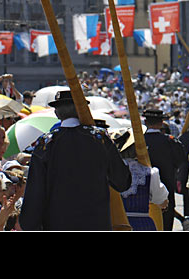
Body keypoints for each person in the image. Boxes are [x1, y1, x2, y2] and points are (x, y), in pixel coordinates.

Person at [18, 91, 131, 231]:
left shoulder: (46, 143)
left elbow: (36, 189)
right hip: (96, 222)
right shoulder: (100, 139)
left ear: (57, 113)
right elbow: (122, 181)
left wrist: (30, 224)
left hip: (58, 223)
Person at [113, 129, 169, 231]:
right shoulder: (149, 172)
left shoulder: (109, 171)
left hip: (117, 224)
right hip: (142, 224)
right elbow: (161, 200)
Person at [142, 107, 187, 231]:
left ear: (145, 122)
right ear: (161, 123)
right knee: (166, 223)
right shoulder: (170, 141)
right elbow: (180, 161)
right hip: (166, 187)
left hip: (142, 189)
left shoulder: (138, 141)